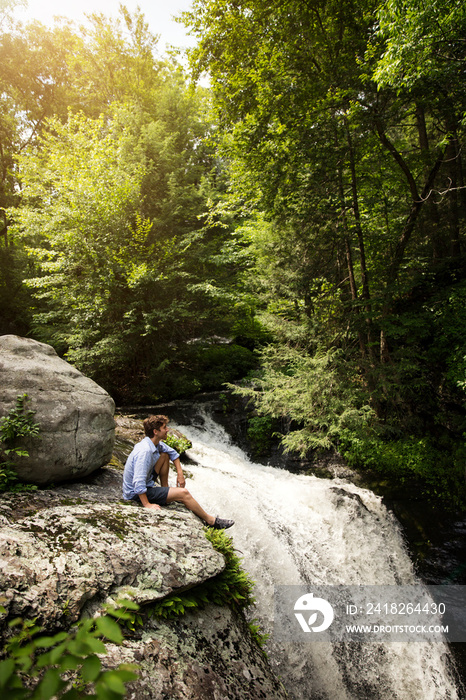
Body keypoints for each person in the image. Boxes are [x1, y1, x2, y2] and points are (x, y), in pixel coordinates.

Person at [122, 414, 234, 530]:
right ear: (156, 431)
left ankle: (165, 490)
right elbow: (138, 482)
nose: (167, 430)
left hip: (147, 482)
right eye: (165, 427)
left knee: (164, 455)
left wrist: (180, 474)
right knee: (183, 493)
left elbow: (173, 453)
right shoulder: (145, 452)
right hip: (135, 494)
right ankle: (211, 521)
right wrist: (147, 504)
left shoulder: (154, 444)